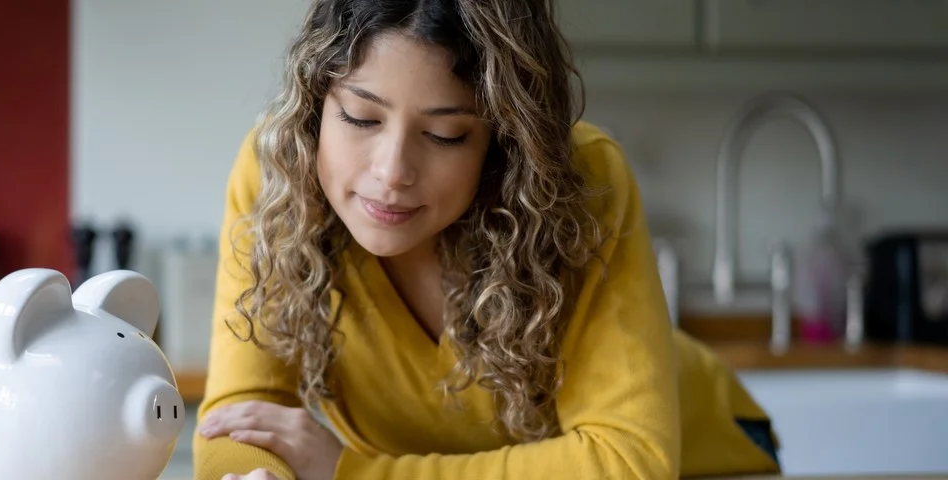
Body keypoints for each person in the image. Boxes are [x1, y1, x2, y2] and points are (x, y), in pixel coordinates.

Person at [192, 1, 782, 479]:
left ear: (503, 145)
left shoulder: (587, 183)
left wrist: (356, 474)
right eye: (361, 118)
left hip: (712, 459)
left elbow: (629, 461)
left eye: (446, 134)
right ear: (318, 106)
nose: (392, 170)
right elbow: (240, 419)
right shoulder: (281, 172)